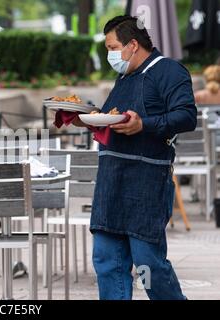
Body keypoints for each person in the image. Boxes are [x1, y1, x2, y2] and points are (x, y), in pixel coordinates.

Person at [72, 15, 197, 300]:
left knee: (147, 264)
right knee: (107, 261)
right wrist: (84, 120)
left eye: (112, 47)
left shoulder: (170, 71)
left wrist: (145, 124)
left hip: (147, 180)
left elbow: (187, 116)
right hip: (111, 180)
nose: (109, 54)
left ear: (132, 44)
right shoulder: (124, 76)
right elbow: (109, 119)